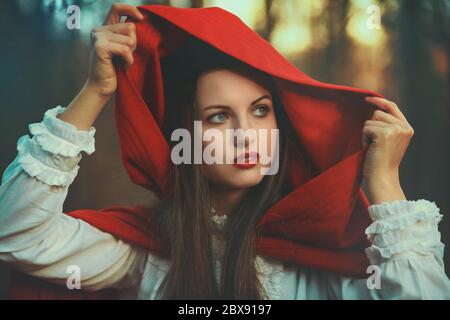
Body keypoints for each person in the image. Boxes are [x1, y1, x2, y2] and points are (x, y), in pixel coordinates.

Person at [0, 3, 449, 300]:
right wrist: (96, 92)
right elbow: (17, 236)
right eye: (218, 117)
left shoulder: (323, 253)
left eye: (259, 110)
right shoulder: (147, 250)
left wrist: (385, 184)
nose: (245, 134)